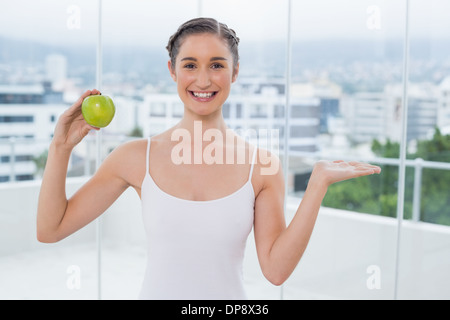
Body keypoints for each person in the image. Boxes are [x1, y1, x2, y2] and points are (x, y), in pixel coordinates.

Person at [36, 17, 381, 299]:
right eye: (190, 65)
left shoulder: (262, 166)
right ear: (172, 71)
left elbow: (276, 271)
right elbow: (50, 229)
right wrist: (61, 148)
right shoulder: (133, 158)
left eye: (216, 65)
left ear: (234, 72)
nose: (203, 79)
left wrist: (317, 184)